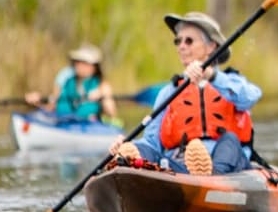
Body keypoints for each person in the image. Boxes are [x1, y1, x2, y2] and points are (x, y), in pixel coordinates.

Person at [112, 12, 261, 175]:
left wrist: (212, 76)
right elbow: (152, 142)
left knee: (230, 139)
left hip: (229, 165)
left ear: (211, 46)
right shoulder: (169, 92)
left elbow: (251, 97)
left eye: (189, 41)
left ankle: (212, 176)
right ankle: (128, 158)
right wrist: (129, 146)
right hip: (182, 167)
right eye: (178, 41)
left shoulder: (231, 82)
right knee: (140, 150)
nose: (181, 46)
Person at [25, 43, 119, 124]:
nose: (78, 65)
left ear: (94, 67)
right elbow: (51, 107)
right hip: (63, 123)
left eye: (84, 62)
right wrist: (37, 103)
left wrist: (103, 96)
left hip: (89, 126)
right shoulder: (66, 82)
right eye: (77, 61)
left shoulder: (102, 86)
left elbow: (112, 114)